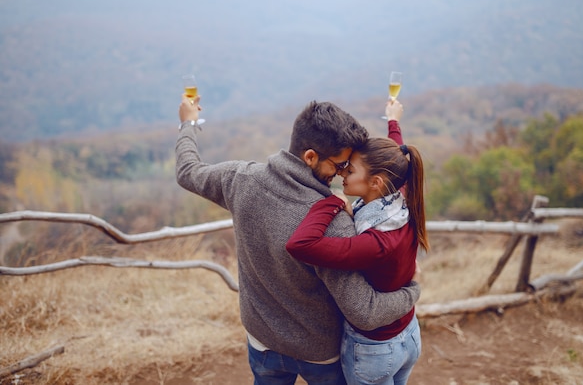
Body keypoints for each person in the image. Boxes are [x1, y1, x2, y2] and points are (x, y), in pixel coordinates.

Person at [176, 96, 422, 385]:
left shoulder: (239, 179)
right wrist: (412, 291)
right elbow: (364, 312)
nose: (342, 173)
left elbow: (187, 171)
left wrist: (187, 123)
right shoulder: (332, 222)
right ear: (310, 157)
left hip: (262, 340)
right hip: (320, 354)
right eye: (340, 165)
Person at [285, 100, 429, 385]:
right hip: (408, 335)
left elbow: (300, 246)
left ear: (375, 182)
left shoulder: (374, 244)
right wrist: (393, 122)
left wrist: (330, 202)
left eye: (349, 171)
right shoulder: (400, 199)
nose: (341, 174)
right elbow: (397, 159)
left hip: (374, 349)